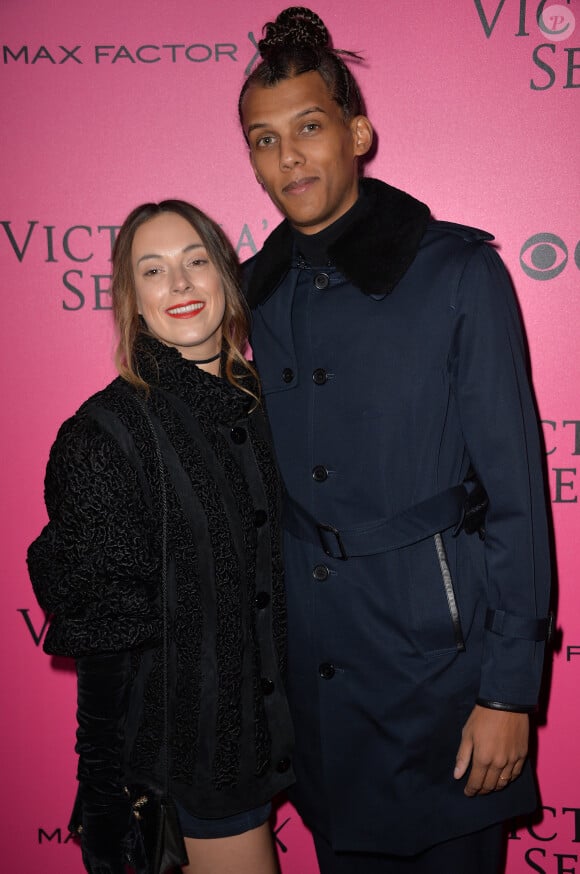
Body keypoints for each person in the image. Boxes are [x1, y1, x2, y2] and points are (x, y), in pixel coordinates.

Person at [238, 7, 552, 873]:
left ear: (358, 132)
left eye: (308, 127)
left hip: (441, 682)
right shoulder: (249, 297)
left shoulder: (457, 272)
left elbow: (521, 498)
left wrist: (508, 692)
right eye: (264, 141)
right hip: (314, 689)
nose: (288, 156)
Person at [27, 200, 294, 874]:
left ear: (228, 278)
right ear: (132, 301)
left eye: (196, 261)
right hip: (201, 757)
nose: (178, 285)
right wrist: (105, 794)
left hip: (309, 732)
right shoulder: (105, 435)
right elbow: (104, 640)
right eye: (154, 270)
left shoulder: (277, 407)